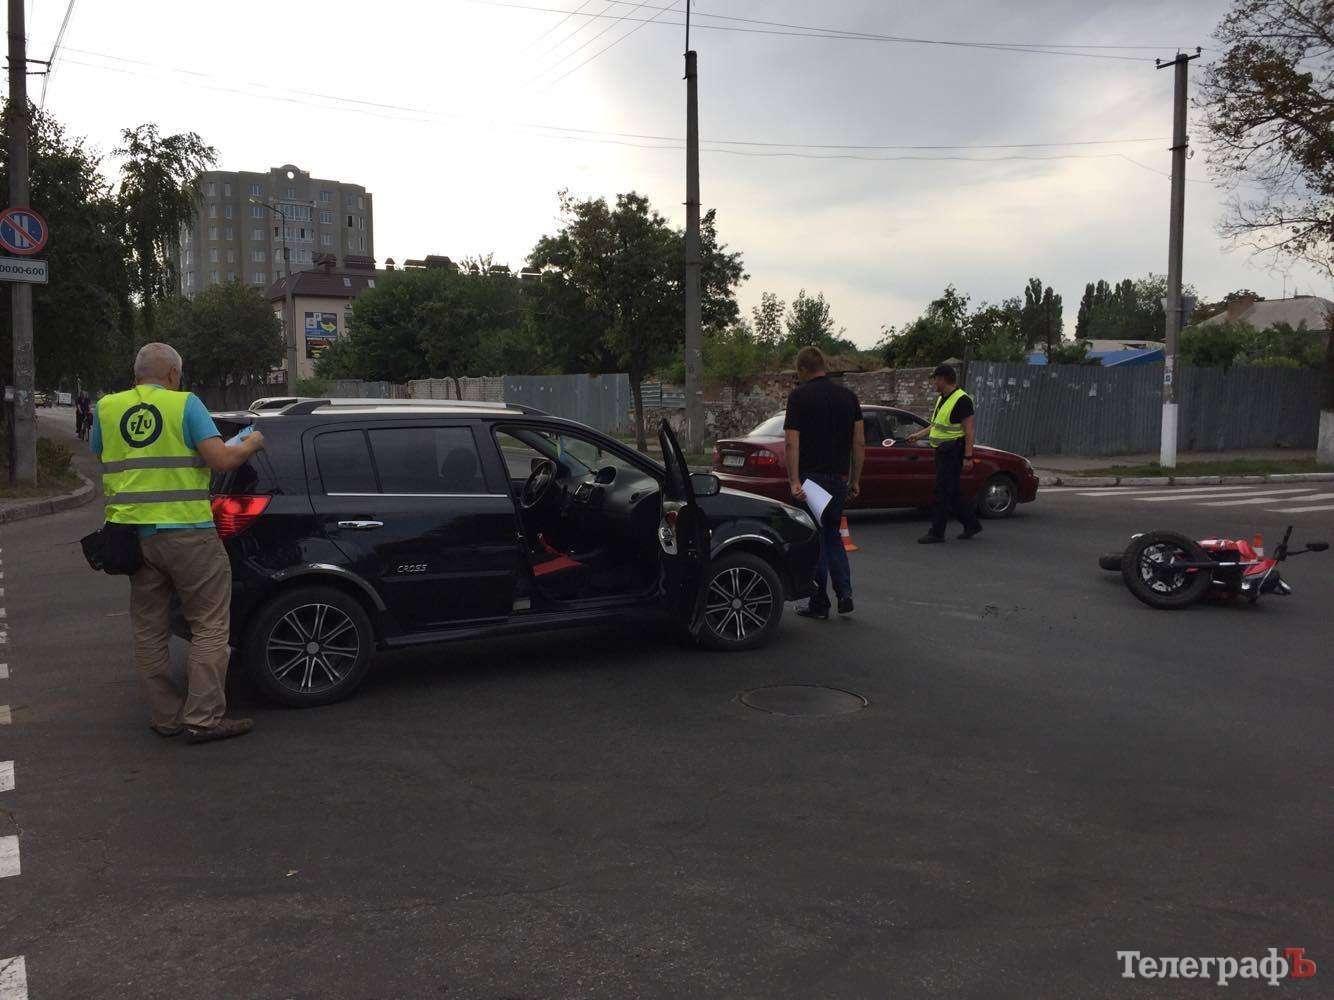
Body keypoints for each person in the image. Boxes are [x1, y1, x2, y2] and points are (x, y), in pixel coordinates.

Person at [93, 343, 266, 743]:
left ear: (137, 374)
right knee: (208, 624)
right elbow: (221, 460)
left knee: (149, 630)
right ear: (173, 374)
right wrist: (251, 444)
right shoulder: (184, 404)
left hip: (132, 538)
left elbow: (104, 455)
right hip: (187, 532)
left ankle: (166, 717)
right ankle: (203, 719)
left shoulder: (107, 408)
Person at [783, 346, 864, 620]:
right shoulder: (849, 397)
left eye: (798, 373)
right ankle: (845, 593)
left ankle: (819, 604)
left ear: (804, 369)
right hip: (838, 479)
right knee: (833, 536)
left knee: (814, 540)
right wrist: (855, 479)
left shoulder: (799, 397)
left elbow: (791, 442)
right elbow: (859, 443)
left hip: (810, 482)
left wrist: (794, 481)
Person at [908, 364, 982, 544]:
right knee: (953, 491)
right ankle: (971, 524)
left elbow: (970, 431)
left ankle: (937, 532)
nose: (934, 382)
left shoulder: (962, 400)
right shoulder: (943, 398)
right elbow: (936, 424)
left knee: (941, 492)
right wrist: (918, 434)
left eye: (935, 378)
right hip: (942, 451)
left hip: (954, 451)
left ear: (942, 379)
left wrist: (968, 457)